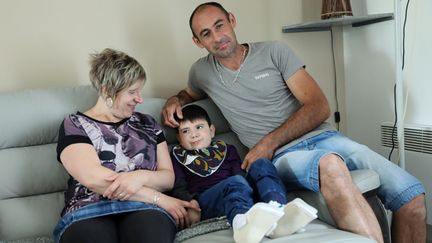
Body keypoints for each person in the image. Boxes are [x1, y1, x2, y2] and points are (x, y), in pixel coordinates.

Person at [161, 2, 427, 243]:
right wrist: (175, 99)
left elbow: (319, 106)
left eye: (220, 25)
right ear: (198, 42)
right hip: (282, 156)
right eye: (206, 33)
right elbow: (189, 94)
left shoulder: (274, 52)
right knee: (331, 165)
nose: (217, 37)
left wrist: (267, 141)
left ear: (232, 20)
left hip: (325, 138)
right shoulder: (201, 72)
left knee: (412, 197)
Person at [53, 48, 199, 243]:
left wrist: (138, 177)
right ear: (107, 91)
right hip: (89, 211)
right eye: (132, 92)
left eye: (140, 90)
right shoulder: (75, 124)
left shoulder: (148, 123)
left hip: (145, 209)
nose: (140, 99)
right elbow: (93, 178)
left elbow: (167, 178)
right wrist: (160, 199)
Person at [170, 104, 318, 243]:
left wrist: (252, 189)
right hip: (206, 201)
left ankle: (277, 208)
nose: (193, 134)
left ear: (212, 130)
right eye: (185, 131)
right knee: (235, 182)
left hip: (238, 191)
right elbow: (178, 186)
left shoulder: (228, 149)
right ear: (178, 138)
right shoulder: (177, 156)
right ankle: (242, 225)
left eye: (199, 127)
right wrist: (190, 204)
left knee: (261, 164)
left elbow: (241, 177)